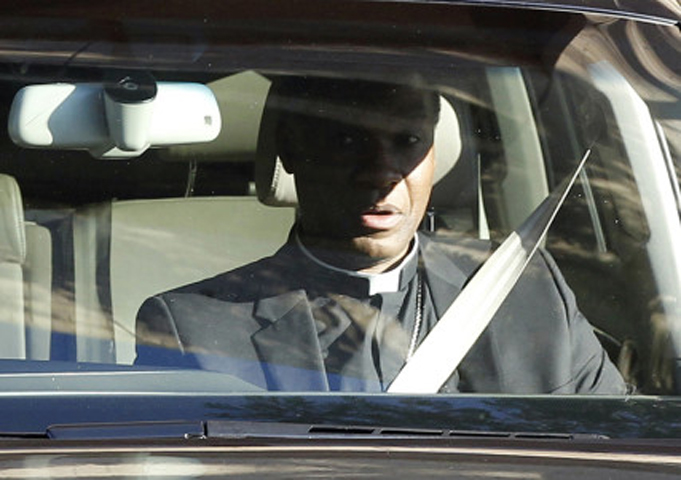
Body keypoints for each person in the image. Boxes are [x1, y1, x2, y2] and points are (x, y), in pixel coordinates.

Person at [135, 75, 627, 394]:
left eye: (407, 142)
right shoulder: (194, 328)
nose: (383, 172)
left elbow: (614, 448)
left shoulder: (527, 291)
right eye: (347, 141)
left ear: (435, 151)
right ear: (291, 148)